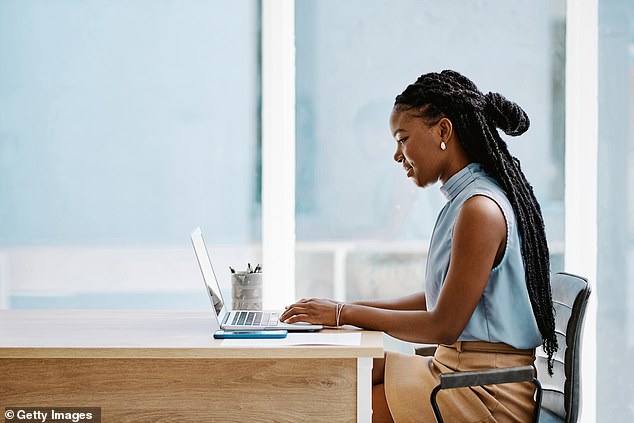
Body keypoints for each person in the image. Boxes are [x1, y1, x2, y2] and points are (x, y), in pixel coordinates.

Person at [280, 70, 557, 422]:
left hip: (486, 392)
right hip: (456, 373)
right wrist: (342, 309)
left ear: (443, 131)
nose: (397, 155)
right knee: (340, 377)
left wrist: (343, 315)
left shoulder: (479, 208)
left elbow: (444, 325)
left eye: (403, 138)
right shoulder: (464, 201)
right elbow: (435, 299)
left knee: (345, 407)